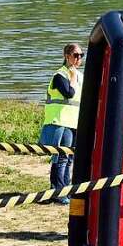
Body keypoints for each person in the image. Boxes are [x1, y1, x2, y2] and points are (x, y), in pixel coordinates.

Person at [40, 43, 84, 204]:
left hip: (74, 122)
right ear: (67, 56)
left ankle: (66, 189)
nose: (79, 59)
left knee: (70, 158)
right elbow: (69, 93)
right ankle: (58, 191)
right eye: (76, 55)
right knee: (61, 158)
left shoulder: (79, 75)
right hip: (60, 121)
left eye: (81, 55)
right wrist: (72, 78)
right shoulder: (60, 75)